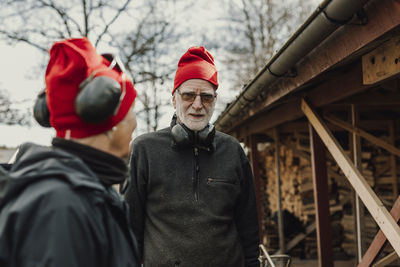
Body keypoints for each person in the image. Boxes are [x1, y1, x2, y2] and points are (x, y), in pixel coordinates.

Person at [0, 37, 140, 267]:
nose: (134, 124)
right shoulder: (61, 208)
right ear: (110, 127)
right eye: (131, 111)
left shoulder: (91, 192)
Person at [125, 46, 259, 267]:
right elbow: (130, 227)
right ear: (174, 98)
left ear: (215, 100)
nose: (197, 105)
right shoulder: (144, 150)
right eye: (188, 95)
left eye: (206, 97)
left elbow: (248, 225)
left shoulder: (233, 151)